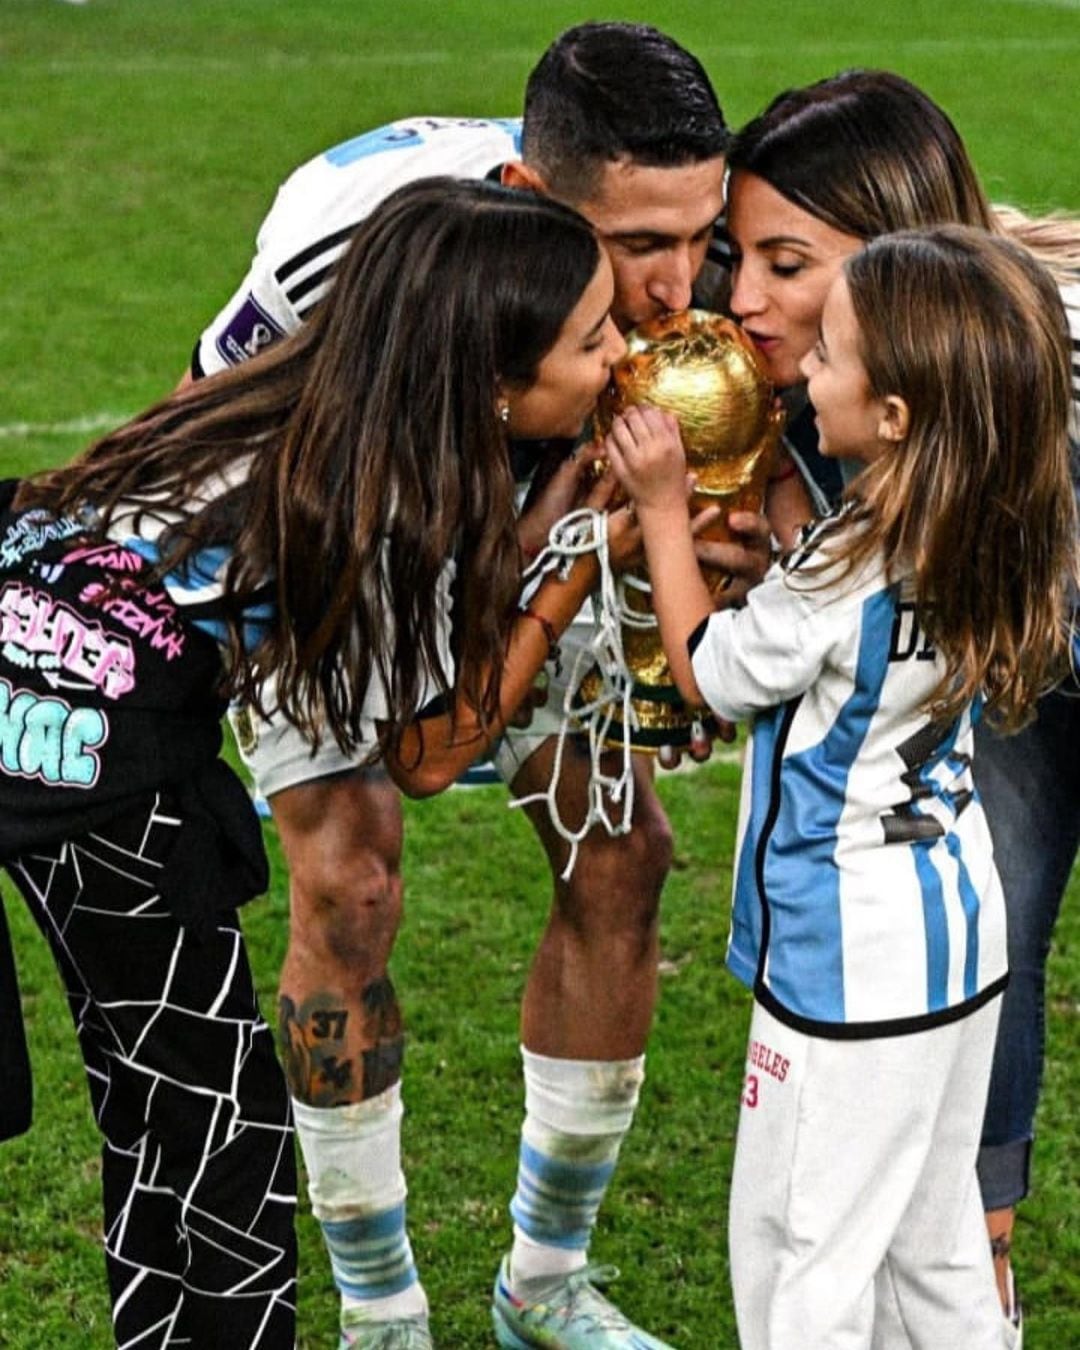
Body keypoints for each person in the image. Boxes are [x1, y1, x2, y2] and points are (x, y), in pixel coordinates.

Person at [186, 23, 768, 1350]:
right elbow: (210, 417)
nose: (683, 285)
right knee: (351, 874)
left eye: (703, 228)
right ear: (530, 206)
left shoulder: (696, 257)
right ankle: (381, 1310)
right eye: (638, 249)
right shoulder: (343, 245)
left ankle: (543, 1286)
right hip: (323, 512)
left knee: (622, 855)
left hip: (548, 501)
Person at [0, 176, 638, 1350]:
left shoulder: (326, 389)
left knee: (155, 1108)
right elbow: (432, 753)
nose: (620, 358)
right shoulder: (375, 497)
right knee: (219, 1137)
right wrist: (568, 563)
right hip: (85, 751)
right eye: (593, 340)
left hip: (31, 669)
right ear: (495, 387)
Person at [606, 225, 1076, 1349]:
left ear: (898, 416)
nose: (804, 375)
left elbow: (715, 675)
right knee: (938, 1247)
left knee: (797, 1260)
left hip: (849, 968)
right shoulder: (998, 522)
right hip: (963, 946)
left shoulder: (845, 561)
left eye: (829, 357)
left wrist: (667, 512)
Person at [721, 68, 1080, 1335]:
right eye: (734, 255)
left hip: (1039, 623)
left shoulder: (1024, 348)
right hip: (1020, 639)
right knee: (996, 912)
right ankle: (977, 1282)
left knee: (802, 1241)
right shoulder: (884, 393)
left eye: (783, 263)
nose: (741, 300)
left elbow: (744, 666)